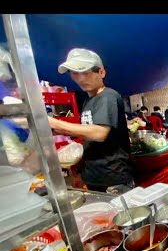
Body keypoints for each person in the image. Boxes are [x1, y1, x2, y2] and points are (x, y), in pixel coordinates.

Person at [48, 48, 134, 194]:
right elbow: (87, 131)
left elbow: (99, 133)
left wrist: (54, 122)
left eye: (86, 73)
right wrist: (55, 130)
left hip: (113, 178)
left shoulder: (108, 96)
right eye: (75, 73)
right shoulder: (89, 101)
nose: (81, 79)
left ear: (101, 72)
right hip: (94, 175)